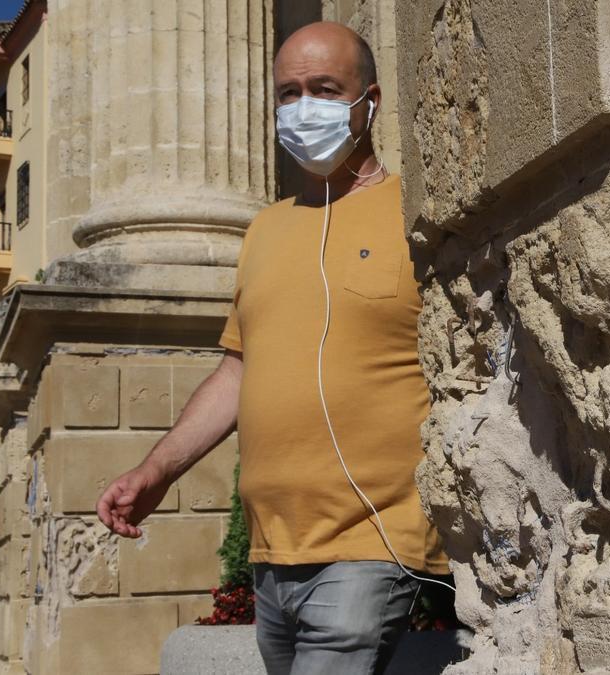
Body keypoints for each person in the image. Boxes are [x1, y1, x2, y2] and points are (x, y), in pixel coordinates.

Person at [95, 21, 448, 674]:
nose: (303, 105)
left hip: (371, 540)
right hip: (272, 552)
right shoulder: (263, 230)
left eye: (324, 88)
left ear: (368, 102)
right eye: (288, 92)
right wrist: (155, 470)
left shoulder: (417, 214)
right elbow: (237, 369)